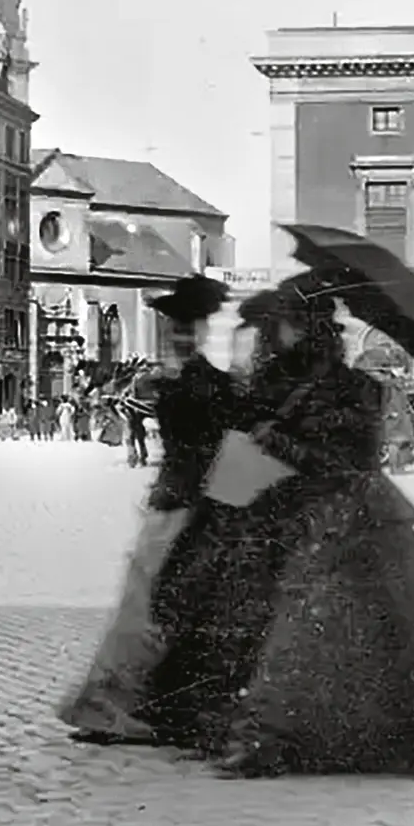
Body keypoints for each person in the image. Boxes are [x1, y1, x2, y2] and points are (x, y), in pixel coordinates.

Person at [206, 274, 414, 780]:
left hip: (351, 519)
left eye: (288, 326)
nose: (280, 337)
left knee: (310, 630)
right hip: (319, 518)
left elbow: (344, 463)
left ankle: (266, 740)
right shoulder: (293, 385)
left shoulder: (358, 390)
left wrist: (280, 442)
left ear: (308, 330)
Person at [61, 275, 237, 745]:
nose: (177, 334)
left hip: (176, 503)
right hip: (189, 504)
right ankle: (125, 708)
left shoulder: (181, 384)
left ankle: (120, 706)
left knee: (146, 605)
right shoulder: (207, 385)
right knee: (154, 605)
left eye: (179, 327)